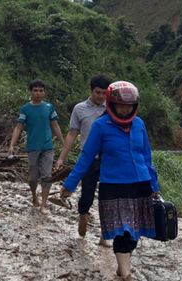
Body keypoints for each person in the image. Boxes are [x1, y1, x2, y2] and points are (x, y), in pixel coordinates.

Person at [60, 81, 160, 281]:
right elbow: (86, 157)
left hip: (140, 185)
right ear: (111, 104)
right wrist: (70, 184)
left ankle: (122, 266)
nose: (125, 109)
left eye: (129, 105)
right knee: (123, 231)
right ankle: (127, 275)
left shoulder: (139, 124)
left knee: (134, 231)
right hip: (113, 187)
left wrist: (154, 184)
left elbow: (146, 157)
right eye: (121, 105)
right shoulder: (101, 126)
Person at [54, 74, 111, 242]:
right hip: (89, 158)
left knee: (107, 195)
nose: (101, 97)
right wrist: (61, 158)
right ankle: (83, 215)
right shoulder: (80, 109)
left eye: (104, 93)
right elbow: (72, 134)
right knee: (87, 192)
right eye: (98, 92)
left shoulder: (113, 109)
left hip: (108, 159)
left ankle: (104, 233)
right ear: (91, 91)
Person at [8, 79, 64, 215]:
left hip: (47, 146)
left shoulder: (49, 107)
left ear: (44, 92)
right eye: (35, 90)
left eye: (41, 90)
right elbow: (19, 126)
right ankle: (34, 195)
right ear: (31, 92)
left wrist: (63, 143)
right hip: (32, 147)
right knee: (33, 178)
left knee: (46, 175)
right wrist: (11, 145)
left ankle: (44, 204)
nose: (38, 93)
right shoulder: (25, 109)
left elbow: (55, 125)